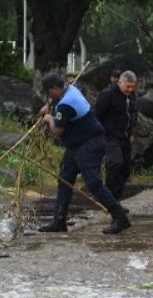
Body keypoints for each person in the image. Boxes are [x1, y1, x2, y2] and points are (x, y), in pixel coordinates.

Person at [38, 72, 130, 234]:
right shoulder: (70, 88)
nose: (48, 96)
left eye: (48, 93)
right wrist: (50, 105)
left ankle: (120, 217)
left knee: (94, 183)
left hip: (90, 144)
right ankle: (59, 221)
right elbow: (55, 99)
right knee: (65, 179)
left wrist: (49, 119)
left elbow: (57, 131)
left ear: (54, 88)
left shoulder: (66, 103)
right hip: (75, 145)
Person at [94, 70, 138, 203]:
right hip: (109, 136)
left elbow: (133, 113)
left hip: (125, 137)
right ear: (120, 82)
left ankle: (114, 200)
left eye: (132, 87)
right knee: (115, 163)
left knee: (125, 169)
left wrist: (132, 132)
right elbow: (97, 115)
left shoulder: (131, 95)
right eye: (128, 86)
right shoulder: (108, 94)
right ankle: (108, 200)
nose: (130, 89)